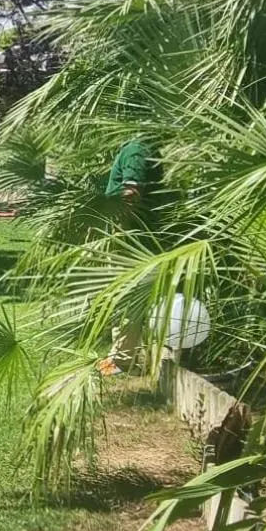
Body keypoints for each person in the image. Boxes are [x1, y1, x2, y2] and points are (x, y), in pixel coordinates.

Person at [99, 138, 155, 375]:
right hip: (131, 237)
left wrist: (120, 231)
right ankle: (120, 356)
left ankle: (122, 361)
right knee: (124, 299)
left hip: (130, 239)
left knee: (128, 299)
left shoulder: (135, 149)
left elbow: (131, 193)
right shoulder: (133, 148)